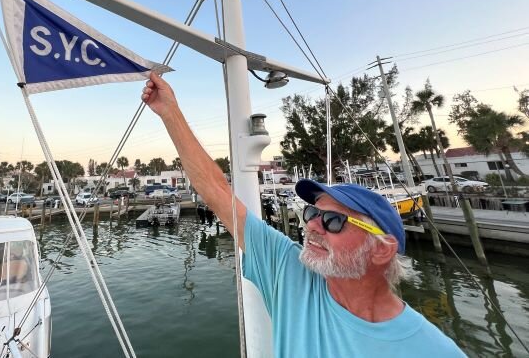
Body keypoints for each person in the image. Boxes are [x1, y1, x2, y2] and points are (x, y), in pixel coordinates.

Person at [141, 72, 465, 357]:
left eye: (332, 220)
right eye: (312, 212)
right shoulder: (288, 271)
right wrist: (170, 112)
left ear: (381, 249)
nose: (312, 225)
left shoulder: (432, 350)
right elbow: (217, 191)